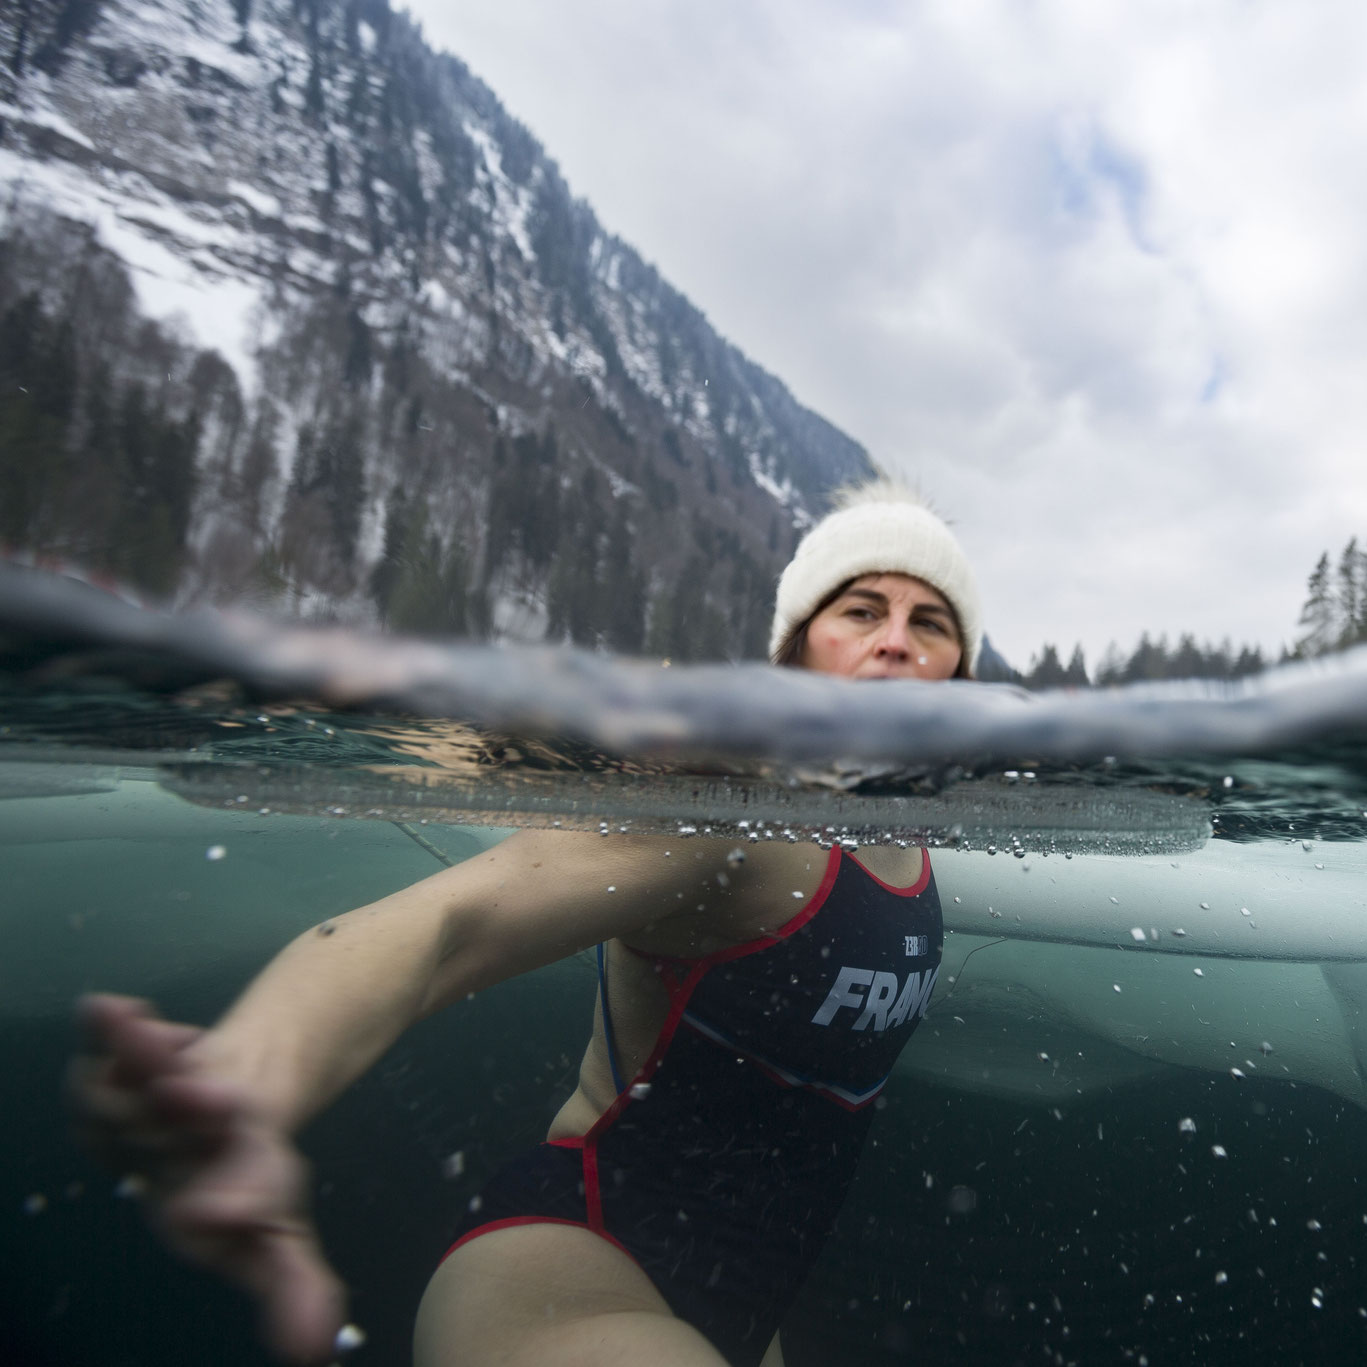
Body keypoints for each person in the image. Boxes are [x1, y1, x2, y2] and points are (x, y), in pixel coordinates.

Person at [68, 480, 983, 1367]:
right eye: (862, 610)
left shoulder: (913, 841)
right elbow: (449, 924)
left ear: (962, 677)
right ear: (795, 651)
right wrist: (245, 1084)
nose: (895, 643)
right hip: (572, 1278)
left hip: (745, 1322)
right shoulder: (730, 820)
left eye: (929, 621)